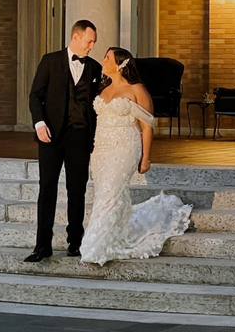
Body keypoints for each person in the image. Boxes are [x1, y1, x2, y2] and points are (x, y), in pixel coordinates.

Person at [80, 47, 192, 266]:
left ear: (120, 64)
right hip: (101, 148)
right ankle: (116, 233)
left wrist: (146, 157)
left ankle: (96, 245)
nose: (103, 60)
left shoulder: (137, 89)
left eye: (108, 58)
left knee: (110, 194)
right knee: (104, 193)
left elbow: (147, 126)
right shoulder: (103, 87)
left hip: (125, 147)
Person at [24, 20, 102, 263]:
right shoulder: (50, 61)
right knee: (47, 189)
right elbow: (35, 96)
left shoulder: (96, 68)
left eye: (94, 43)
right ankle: (42, 246)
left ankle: (75, 243)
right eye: (89, 41)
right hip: (50, 137)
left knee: (76, 191)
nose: (91, 47)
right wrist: (39, 124)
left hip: (80, 138)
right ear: (75, 37)